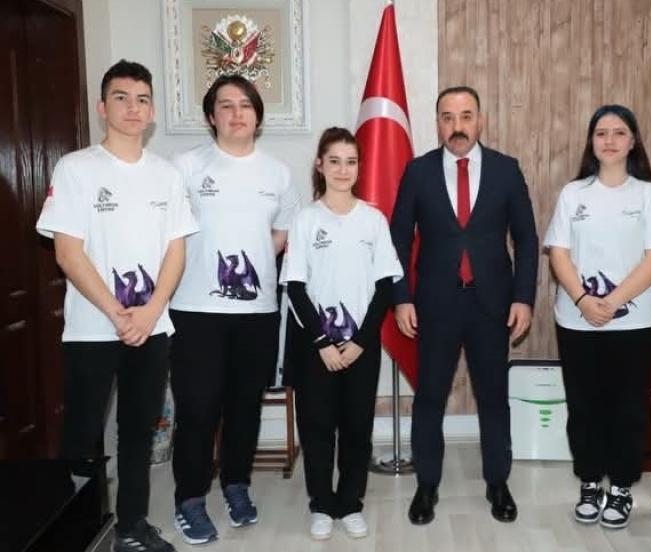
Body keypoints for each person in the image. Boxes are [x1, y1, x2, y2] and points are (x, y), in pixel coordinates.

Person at [35, 59, 198, 552]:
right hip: (92, 329)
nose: (133, 108)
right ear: (102, 108)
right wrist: (115, 312)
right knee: (81, 435)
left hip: (152, 327)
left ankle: (131, 525)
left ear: (152, 112)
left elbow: (176, 250)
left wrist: (150, 311)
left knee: (138, 432)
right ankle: (75, 531)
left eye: (143, 99)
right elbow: (67, 252)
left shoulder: (166, 175)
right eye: (122, 98)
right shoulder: (76, 168)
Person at [390, 86, 539, 525]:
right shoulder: (417, 172)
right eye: (448, 117)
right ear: (437, 122)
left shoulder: (506, 170)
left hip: (492, 304)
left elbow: (527, 238)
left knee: (493, 397)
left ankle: (498, 482)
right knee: (429, 398)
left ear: (480, 120)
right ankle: (426, 485)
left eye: (466, 116)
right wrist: (401, 298)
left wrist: (523, 298)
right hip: (434, 304)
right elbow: (397, 241)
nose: (458, 126)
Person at [168, 74, 299, 545]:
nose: (237, 113)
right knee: (198, 407)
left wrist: (252, 263)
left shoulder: (277, 173)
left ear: (257, 115)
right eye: (226, 105)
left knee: (245, 405)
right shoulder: (184, 167)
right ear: (211, 116)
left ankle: (237, 485)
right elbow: (167, 234)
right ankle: (190, 499)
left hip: (257, 312)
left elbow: (283, 232)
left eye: (245, 104)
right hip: (194, 309)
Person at [545, 105, 651, 529]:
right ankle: (589, 482)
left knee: (626, 407)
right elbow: (558, 253)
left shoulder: (650, 194)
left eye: (619, 133)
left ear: (633, 141)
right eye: (601, 133)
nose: (610, 140)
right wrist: (583, 299)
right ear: (591, 141)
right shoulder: (573, 193)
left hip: (634, 323)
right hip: (577, 319)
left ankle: (620, 486)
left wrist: (613, 301)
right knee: (584, 406)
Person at [281, 127, 402, 540]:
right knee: (316, 427)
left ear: (359, 167)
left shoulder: (373, 219)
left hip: (360, 347)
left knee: (356, 427)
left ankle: (350, 502)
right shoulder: (305, 220)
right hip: (317, 347)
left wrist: (360, 342)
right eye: (334, 161)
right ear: (320, 165)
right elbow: (296, 287)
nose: (342, 169)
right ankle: (321, 503)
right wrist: (323, 343)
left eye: (351, 162)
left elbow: (385, 287)